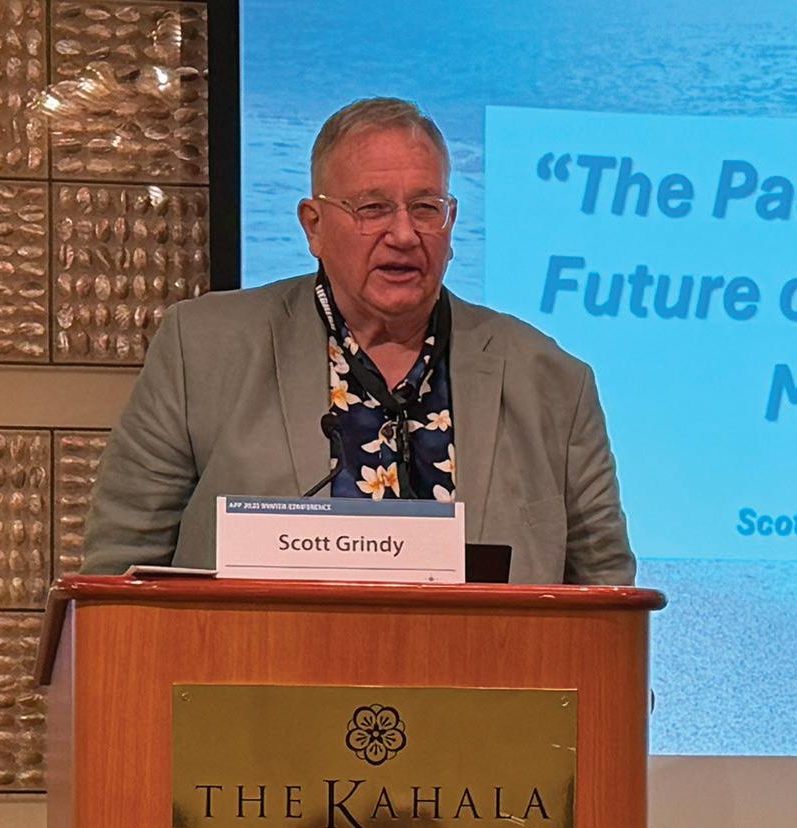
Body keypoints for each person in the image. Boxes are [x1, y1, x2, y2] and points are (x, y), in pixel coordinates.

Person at [81, 98, 634, 585]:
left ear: (450, 224)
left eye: (426, 208)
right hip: (258, 672)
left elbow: (607, 599)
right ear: (313, 225)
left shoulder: (551, 382)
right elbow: (120, 573)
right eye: (373, 208)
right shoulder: (203, 351)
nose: (404, 234)